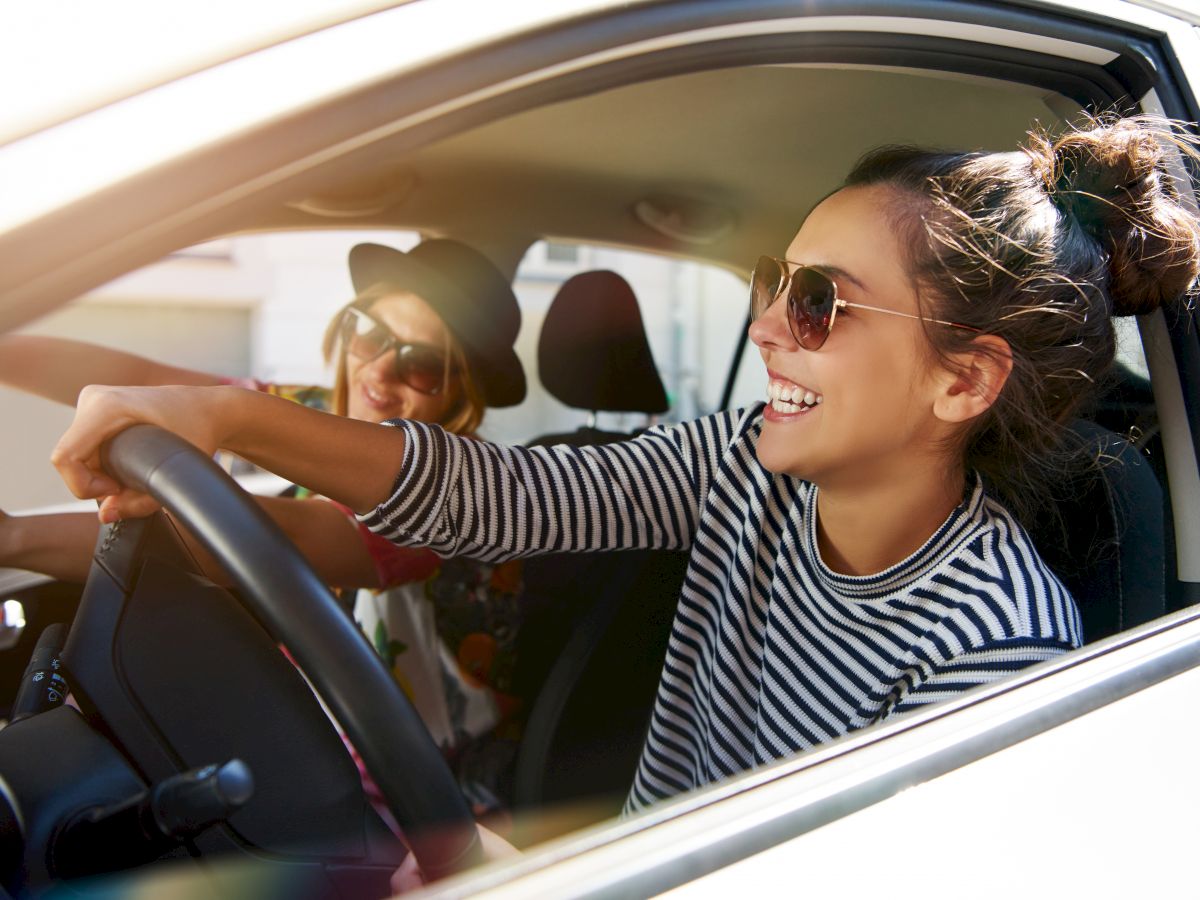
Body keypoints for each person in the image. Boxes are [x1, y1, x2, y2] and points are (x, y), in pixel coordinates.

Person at [48, 115, 1200, 853]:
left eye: (817, 302)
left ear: (962, 380)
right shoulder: (740, 463)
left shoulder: (999, 645)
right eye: (769, 282)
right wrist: (216, 414)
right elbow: (503, 498)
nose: (763, 329)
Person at [0, 238, 530, 785]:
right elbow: (149, 381)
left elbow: (285, 538)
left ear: (461, 391)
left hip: (424, 799)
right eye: (371, 333)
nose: (380, 371)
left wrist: (13, 537)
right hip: (315, 743)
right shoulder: (320, 411)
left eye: (422, 364)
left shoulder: (459, 495)